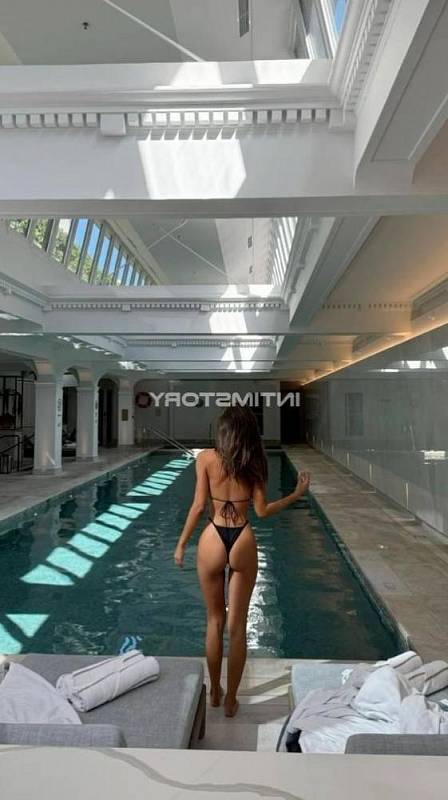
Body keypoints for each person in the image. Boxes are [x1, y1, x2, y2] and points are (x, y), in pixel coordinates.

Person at [174, 405, 311, 717]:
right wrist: (296, 494)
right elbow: (262, 511)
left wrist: (181, 544)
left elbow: (198, 506)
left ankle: (215, 691)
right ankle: (232, 699)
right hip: (242, 538)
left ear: (223, 431)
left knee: (214, 621)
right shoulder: (256, 461)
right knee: (237, 627)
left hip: (213, 536)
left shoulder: (205, 458)